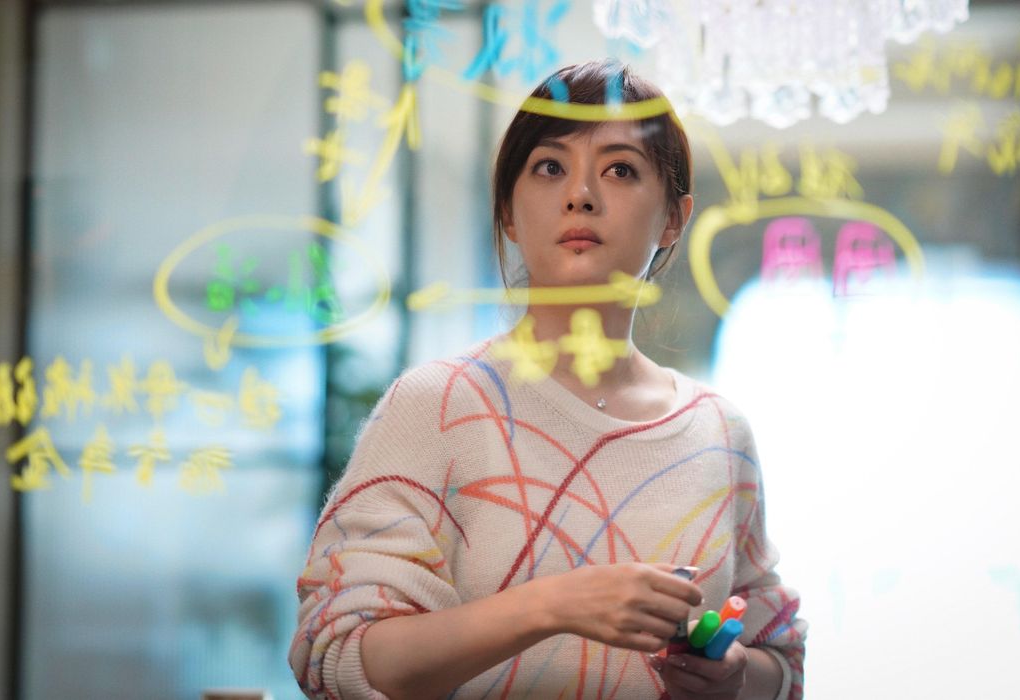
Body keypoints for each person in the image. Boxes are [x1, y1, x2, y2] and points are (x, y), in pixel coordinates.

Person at [290, 60, 807, 700]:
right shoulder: (438, 405)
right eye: (550, 167)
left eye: (620, 170)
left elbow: (780, 661)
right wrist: (553, 605)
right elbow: (334, 654)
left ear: (674, 218)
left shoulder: (719, 433)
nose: (580, 194)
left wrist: (733, 676)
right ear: (509, 211)